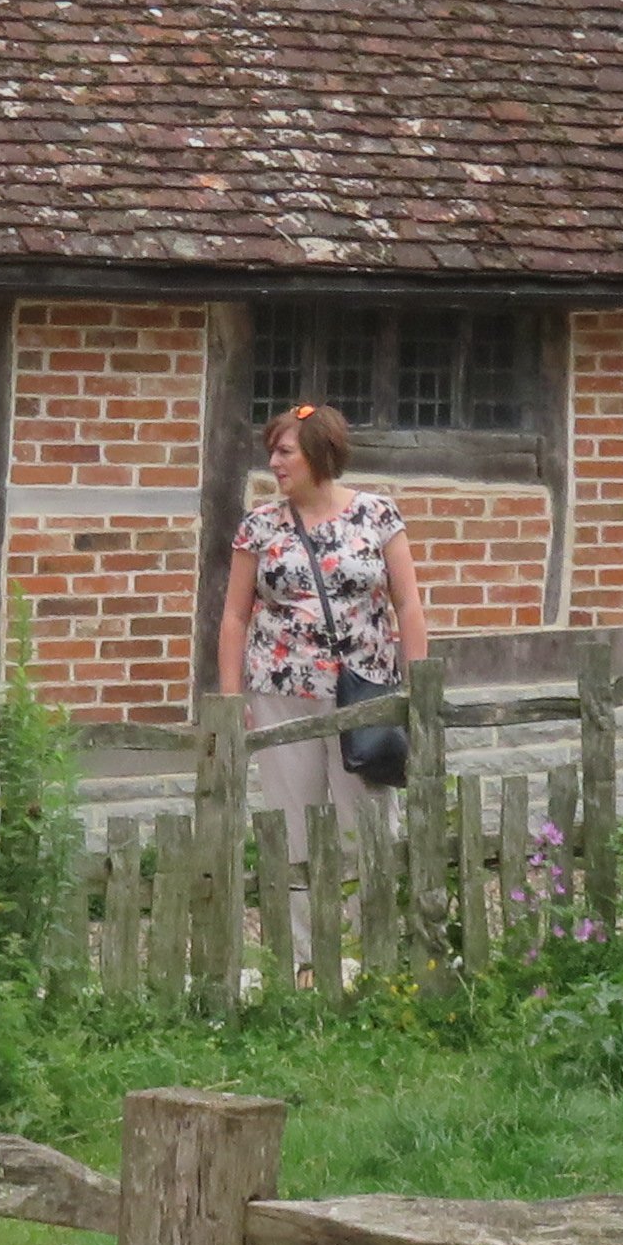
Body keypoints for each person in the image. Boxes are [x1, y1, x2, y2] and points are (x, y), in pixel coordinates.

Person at [212, 402, 430, 967]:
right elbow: (235, 616)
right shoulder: (259, 527)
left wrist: (417, 686)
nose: (275, 463)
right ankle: (303, 961)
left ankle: (373, 953)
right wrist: (233, 700)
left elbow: (407, 602)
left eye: (285, 451)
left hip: (366, 693)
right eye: (273, 452)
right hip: (283, 693)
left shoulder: (377, 516)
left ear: (318, 453)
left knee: (368, 823)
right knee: (294, 825)